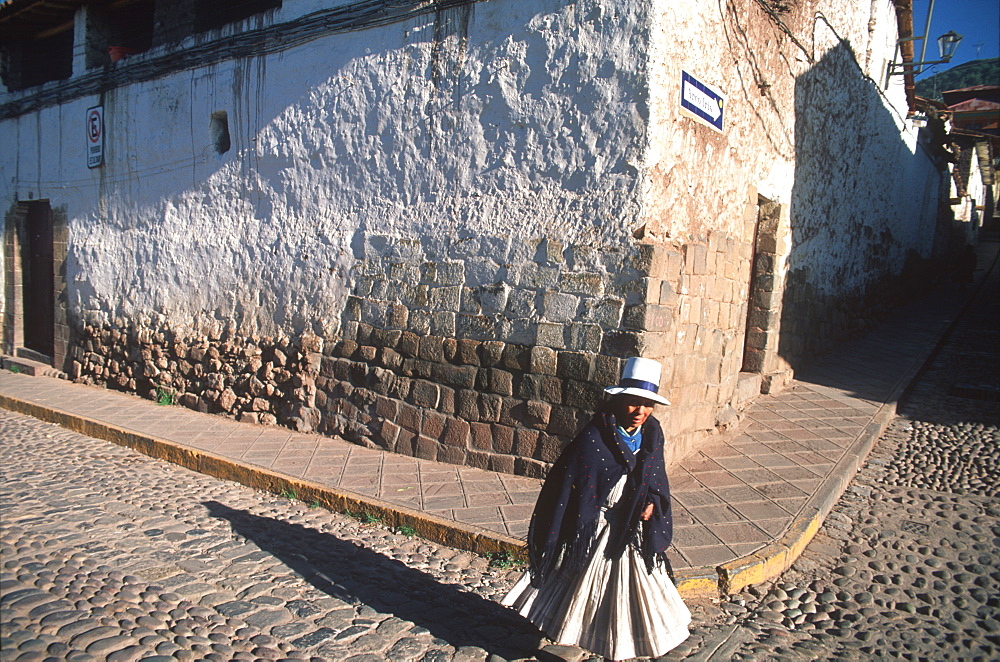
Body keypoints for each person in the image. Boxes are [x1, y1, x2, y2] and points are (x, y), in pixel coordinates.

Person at [502, 357, 691, 661]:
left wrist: (652, 504)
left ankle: (628, 640)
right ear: (618, 400)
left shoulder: (653, 437)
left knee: (634, 585)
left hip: (632, 530)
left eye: (647, 405)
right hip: (597, 528)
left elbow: (657, 481)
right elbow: (569, 481)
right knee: (584, 585)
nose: (640, 411)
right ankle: (575, 633)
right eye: (633, 403)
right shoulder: (594, 438)